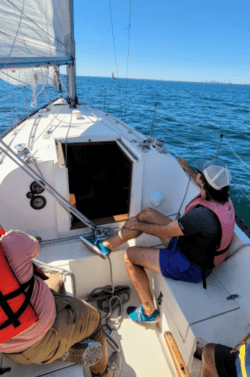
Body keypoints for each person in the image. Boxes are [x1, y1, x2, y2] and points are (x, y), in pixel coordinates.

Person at [80, 158, 235, 324]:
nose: (198, 177)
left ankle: (149, 312)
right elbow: (202, 185)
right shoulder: (223, 199)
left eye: (200, 177)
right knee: (148, 213)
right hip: (188, 246)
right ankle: (106, 246)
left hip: (190, 266)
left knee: (130, 256)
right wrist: (187, 168)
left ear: (204, 184)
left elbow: (167, 231)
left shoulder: (201, 216)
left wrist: (137, 224)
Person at [0, 229, 121, 377]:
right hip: (45, 334)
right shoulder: (12, 242)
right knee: (94, 319)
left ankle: (69, 352)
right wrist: (11, 235)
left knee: (56, 279)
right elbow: (35, 246)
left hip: (11, 352)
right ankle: (104, 373)